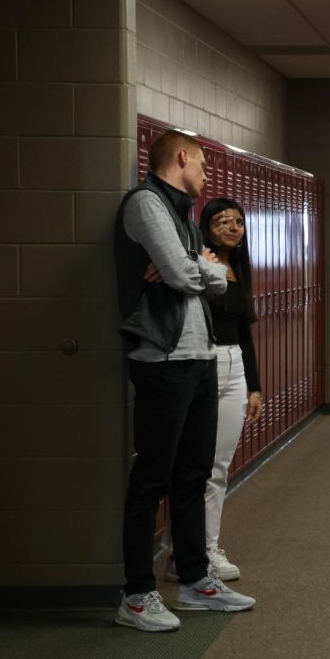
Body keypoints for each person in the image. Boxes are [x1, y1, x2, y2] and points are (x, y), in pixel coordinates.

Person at [113, 130, 256, 632]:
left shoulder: (184, 218)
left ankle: (195, 581)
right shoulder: (147, 205)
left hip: (199, 358)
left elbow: (206, 273)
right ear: (181, 158)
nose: (207, 176)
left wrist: (198, 266)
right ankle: (136, 594)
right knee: (152, 477)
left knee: (192, 474)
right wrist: (200, 267)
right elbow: (183, 274)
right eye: (202, 166)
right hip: (163, 360)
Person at [162, 198, 263, 582]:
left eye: (238, 222)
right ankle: (182, 554)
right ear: (205, 227)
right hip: (204, 363)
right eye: (223, 221)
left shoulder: (237, 270)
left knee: (217, 469)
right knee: (194, 468)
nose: (233, 228)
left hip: (235, 366)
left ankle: (204, 548)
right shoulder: (200, 264)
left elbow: (244, 332)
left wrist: (255, 387)